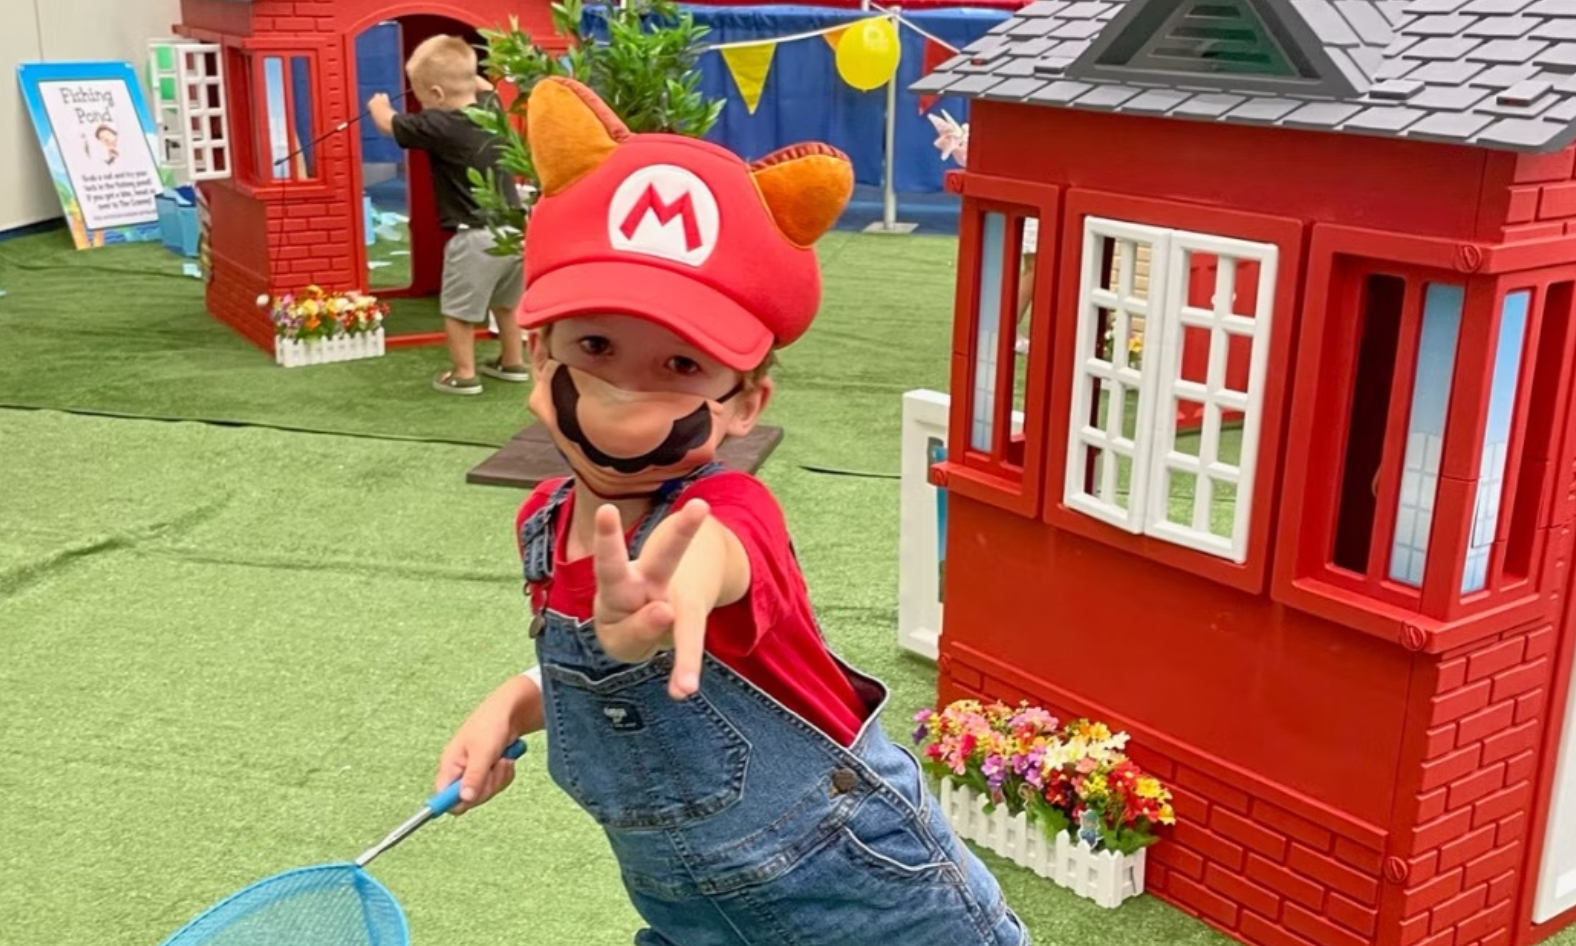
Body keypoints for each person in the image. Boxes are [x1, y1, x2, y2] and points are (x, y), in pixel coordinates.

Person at [434, 77, 1029, 946]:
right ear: (539, 353)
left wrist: (673, 595)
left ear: (743, 404)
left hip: (868, 900)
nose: (626, 393)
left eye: (681, 366)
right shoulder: (542, 522)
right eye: (596, 346)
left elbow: (709, 554)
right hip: (695, 915)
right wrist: (511, 703)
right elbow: (593, 670)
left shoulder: (727, 509)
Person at [368, 35, 527, 395]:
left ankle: (464, 373)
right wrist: (464, 69)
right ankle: (513, 362)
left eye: (422, 95)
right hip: (515, 231)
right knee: (507, 304)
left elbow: (387, 123)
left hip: (474, 236)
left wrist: (378, 104)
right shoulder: (491, 108)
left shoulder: (440, 124)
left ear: (438, 95)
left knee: (458, 311)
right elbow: (481, 84)